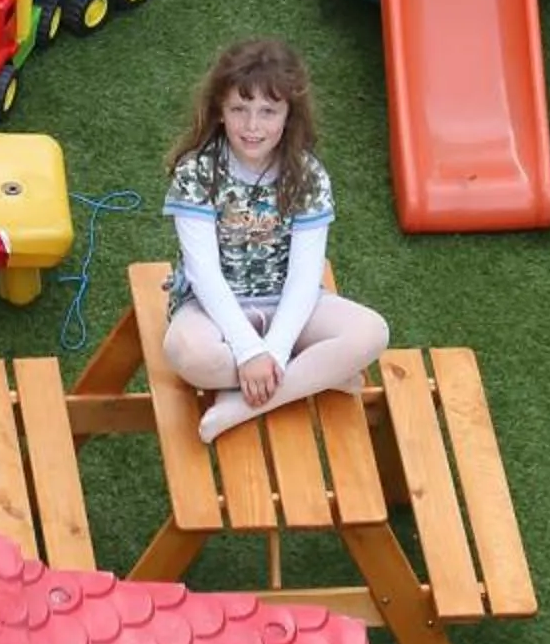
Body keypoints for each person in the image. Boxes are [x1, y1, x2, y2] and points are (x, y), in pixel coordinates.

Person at [163, 38, 388, 444]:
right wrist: (249, 351)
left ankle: (250, 402)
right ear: (220, 110)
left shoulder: (307, 174)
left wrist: (275, 351)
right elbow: (204, 274)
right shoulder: (197, 171)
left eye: (268, 111)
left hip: (287, 303)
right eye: (239, 110)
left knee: (372, 332)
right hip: (211, 306)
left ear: (289, 114)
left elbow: (305, 278)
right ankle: (315, 374)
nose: (252, 127)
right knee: (187, 354)